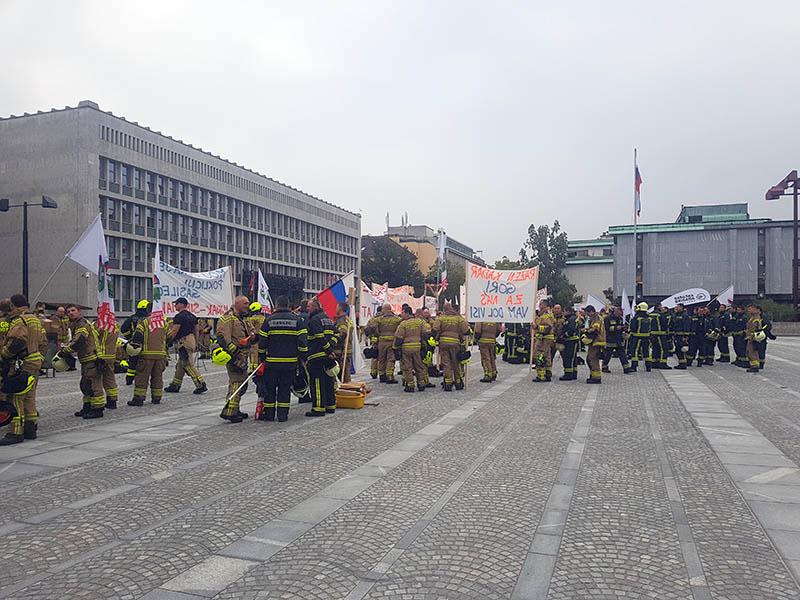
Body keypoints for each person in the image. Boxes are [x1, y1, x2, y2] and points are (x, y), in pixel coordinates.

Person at [0, 295, 46, 444]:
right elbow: (44, 342)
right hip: (35, 361)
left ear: (14, 306)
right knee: (29, 396)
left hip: (22, 363)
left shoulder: (20, 320)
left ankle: (15, 432)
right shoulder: (35, 320)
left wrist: (4, 355)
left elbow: (18, 341)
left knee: (15, 397)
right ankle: (30, 429)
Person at [256, 295, 307, 422]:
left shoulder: (269, 320)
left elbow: (262, 341)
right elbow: (302, 342)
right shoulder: (297, 321)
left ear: (277, 305)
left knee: (270, 388)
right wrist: (302, 357)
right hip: (290, 363)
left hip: (272, 363)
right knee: (285, 388)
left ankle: (269, 414)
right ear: (289, 306)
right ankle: (282, 415)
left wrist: (262, 357)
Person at [62, 304, 105, 419]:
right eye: (68, 311)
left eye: (73, 310)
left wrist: (66, 351)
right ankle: (87, 407)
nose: (71, 313)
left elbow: (80, 341)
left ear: (79, 311)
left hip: (92, 359)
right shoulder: (76, 324)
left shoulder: (82, 324)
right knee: (85, 385)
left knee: (94, 385)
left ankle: (98, 409)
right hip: (86, 359)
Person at [217, 296, 256, 422]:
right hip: (234, 355)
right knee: (237, 382)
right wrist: (234, 354)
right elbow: (223, 337)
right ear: (237, 303)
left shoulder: (243, 318)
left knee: (241, 383)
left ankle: (235, 408)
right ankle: (230, 411)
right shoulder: (228, 318)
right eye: (245, 303)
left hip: (244, 354)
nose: (247, 305)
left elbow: (251, 333)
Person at [127, 303, 171, 406]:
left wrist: (133, 349)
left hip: (146, 355)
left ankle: (138, 399)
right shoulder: (164, 323)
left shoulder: (144, 322)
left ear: (148, 310)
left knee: (142, 377)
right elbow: (169, 338)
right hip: (161, 355)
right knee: (157, 377)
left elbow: (137, 338)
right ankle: (157, 397)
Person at [164, 297, 208, 394]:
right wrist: (196, 342)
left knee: (187, 364)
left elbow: (174, 331)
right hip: (191, 340)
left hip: (183, 342)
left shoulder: (179, 317)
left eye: (176, 304)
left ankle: (200, 383)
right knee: (180, 365)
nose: (175, 306)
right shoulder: (193, 316)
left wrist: (168, 340)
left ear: (181, 304)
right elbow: (196, 330)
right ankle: (175, 385)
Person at [305, 297, 337, 417]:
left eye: (309, 306)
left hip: (317, 355)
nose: (307, 309)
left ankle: (318, 408)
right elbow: (337, 333)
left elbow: (319, 337)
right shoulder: (327, 318)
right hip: (327, 356)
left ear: (315, 307)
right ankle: (330, 405)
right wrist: (331, 347)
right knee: (328, 381)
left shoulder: (315, 319)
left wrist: (328, 350)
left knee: (317, 382)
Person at [432, 303, 470, 391]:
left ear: (444, 310)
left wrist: (434, 338)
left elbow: (435, 329)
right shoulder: (459, 319)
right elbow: (466, 331)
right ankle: (458, 382)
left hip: (443, 343)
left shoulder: (440, 318)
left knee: (446, 363)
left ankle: (448, 383)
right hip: (455, 343)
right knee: (456, 362)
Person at [393, 305, 429, 392]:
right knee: (419, 366)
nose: (401, 314)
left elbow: (399, 338)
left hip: (406, 348)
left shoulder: (403, 324)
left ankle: (410, 385)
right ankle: (421, 383)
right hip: (417, 347)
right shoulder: (420, 322)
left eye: (402, 312)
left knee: (407, 367)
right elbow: (425, 333)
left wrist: (395, 347)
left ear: (407, 313)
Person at [366, 304, 401, 383]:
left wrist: (375, 334)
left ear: (384, 310)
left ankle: (382, 375)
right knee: (391, 359)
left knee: (381, 359)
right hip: (392, 342)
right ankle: (389, 376)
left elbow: (370, 327)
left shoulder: (379, 319)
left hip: (381, 342)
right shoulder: (397, 319)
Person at [121, 300, 151, 385]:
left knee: (132, 362)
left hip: (134, 344)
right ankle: (143, 380)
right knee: (144, 363)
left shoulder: (132, 318)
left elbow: (123, 329)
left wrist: (129, 337)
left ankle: (129, 380)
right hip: (146, 344)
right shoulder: (148, 319)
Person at [93, 319, 120, 409]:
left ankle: (98, 403)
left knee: (96, 380)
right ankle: (112, 400)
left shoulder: (100, 324)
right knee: (110, 379)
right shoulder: (115, 324)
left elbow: (93, 337)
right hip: (111, 355)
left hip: (100, 356)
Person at [603, 306, 632, 373]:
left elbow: (621, 326)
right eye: (619, 312)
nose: (620, 314)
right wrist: (616, 328)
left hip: (619, 339)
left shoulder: (620, 318)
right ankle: (604, 367)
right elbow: (606, 329)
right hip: (610, 339)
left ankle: (626, 368)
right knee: (608, 355)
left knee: (622, 354)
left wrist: (624, 329)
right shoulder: (608, 318)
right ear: (615, 311)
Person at [532, 299, 556, 382]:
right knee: (547, 356)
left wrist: (537, 327)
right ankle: (547, 373)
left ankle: (541, 375)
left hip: (544, 338)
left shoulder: (546, 315)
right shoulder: (542, 315)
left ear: (545, 305)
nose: (539, 306)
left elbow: (548, 327)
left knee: (539, 355)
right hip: (544, 338)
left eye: (541, 304)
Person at [582, 305, 605, 383]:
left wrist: (585, 331)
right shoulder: (594, 318)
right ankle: (593, 375)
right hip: (595, 342)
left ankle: (596, 378)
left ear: (591, 311)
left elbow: (595, 329)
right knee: (589, 359)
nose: (587, 315)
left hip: (597, 341)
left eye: (587, 313)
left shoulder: (596, 318)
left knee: (593, 359)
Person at [627, 302, 651, 372]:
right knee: (646, 352)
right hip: (646, 337)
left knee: (635, 351)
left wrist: (629, 332)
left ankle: (634, 366)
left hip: (636, 337)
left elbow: (632, 327)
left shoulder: (636, 318)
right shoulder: (649, 318)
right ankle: (648, 367)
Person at [333, 302, 353, 384]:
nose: (336, 309)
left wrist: (333, 340)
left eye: (337, 307)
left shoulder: (341, 321)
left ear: (340, 309)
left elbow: (342, 334)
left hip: (341, 351)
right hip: (347, 350)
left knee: (343, 375)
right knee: (345, 374)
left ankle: (348, 391)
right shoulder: (347, 319)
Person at [649, 304, 671, 370]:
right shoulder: (661, 315)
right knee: (664, 349)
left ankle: (654, 363)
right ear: (658, 307)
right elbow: (664, 324)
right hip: (660, 334)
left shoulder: (650, 314)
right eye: (661, 306)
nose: (662, 308)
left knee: (655, 348)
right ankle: (663, 363)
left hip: (652, 334)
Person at [246, 302, 267, 371]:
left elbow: (249, 329)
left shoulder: (252, 319)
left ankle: (253, 368)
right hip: (263, 338)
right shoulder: (264, 318)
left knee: (253, 353)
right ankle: (260, 367)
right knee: (260, 353)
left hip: (254, 338)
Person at [670, 303, 691, 370]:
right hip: (677, 335)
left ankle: (683, 364)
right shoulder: (676, 315)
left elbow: (686, 325)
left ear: (682, 307)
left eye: (678, 307)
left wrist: (685, 336)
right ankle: (681, 363)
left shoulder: (685, 315)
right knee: (678, 350)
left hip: (681, 336)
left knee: (681, 350)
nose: (676, 308)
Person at [745, 304, 764, 373]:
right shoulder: (752, 317)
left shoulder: (756, 318)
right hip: (750, 336)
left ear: (755, 310)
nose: (748, 310)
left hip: (753, 337)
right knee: (751, 351)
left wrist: (751, 336)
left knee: (751, 352)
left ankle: (755, 366)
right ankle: (754, 365)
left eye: (750, 309)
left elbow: (755, 327)